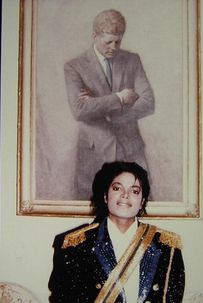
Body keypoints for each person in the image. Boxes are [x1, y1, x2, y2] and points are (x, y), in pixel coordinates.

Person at [48, 161, 185, 303]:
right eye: (117, 188)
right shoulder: (75, 246)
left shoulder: (167, 247)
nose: (125, 195)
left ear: (142, 202)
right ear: (106, 197)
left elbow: (173, 301)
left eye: (135, 191)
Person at [64, 9, 155, 199]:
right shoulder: (75, 66)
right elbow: (79, 110)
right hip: (94, 153)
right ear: (94, 36)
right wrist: (120, 99)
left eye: (118, 41)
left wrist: (99, 106)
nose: (114, 47)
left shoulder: (132, 60)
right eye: (108, 42)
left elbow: (148, 102)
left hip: (131, 150)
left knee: (142, 206)